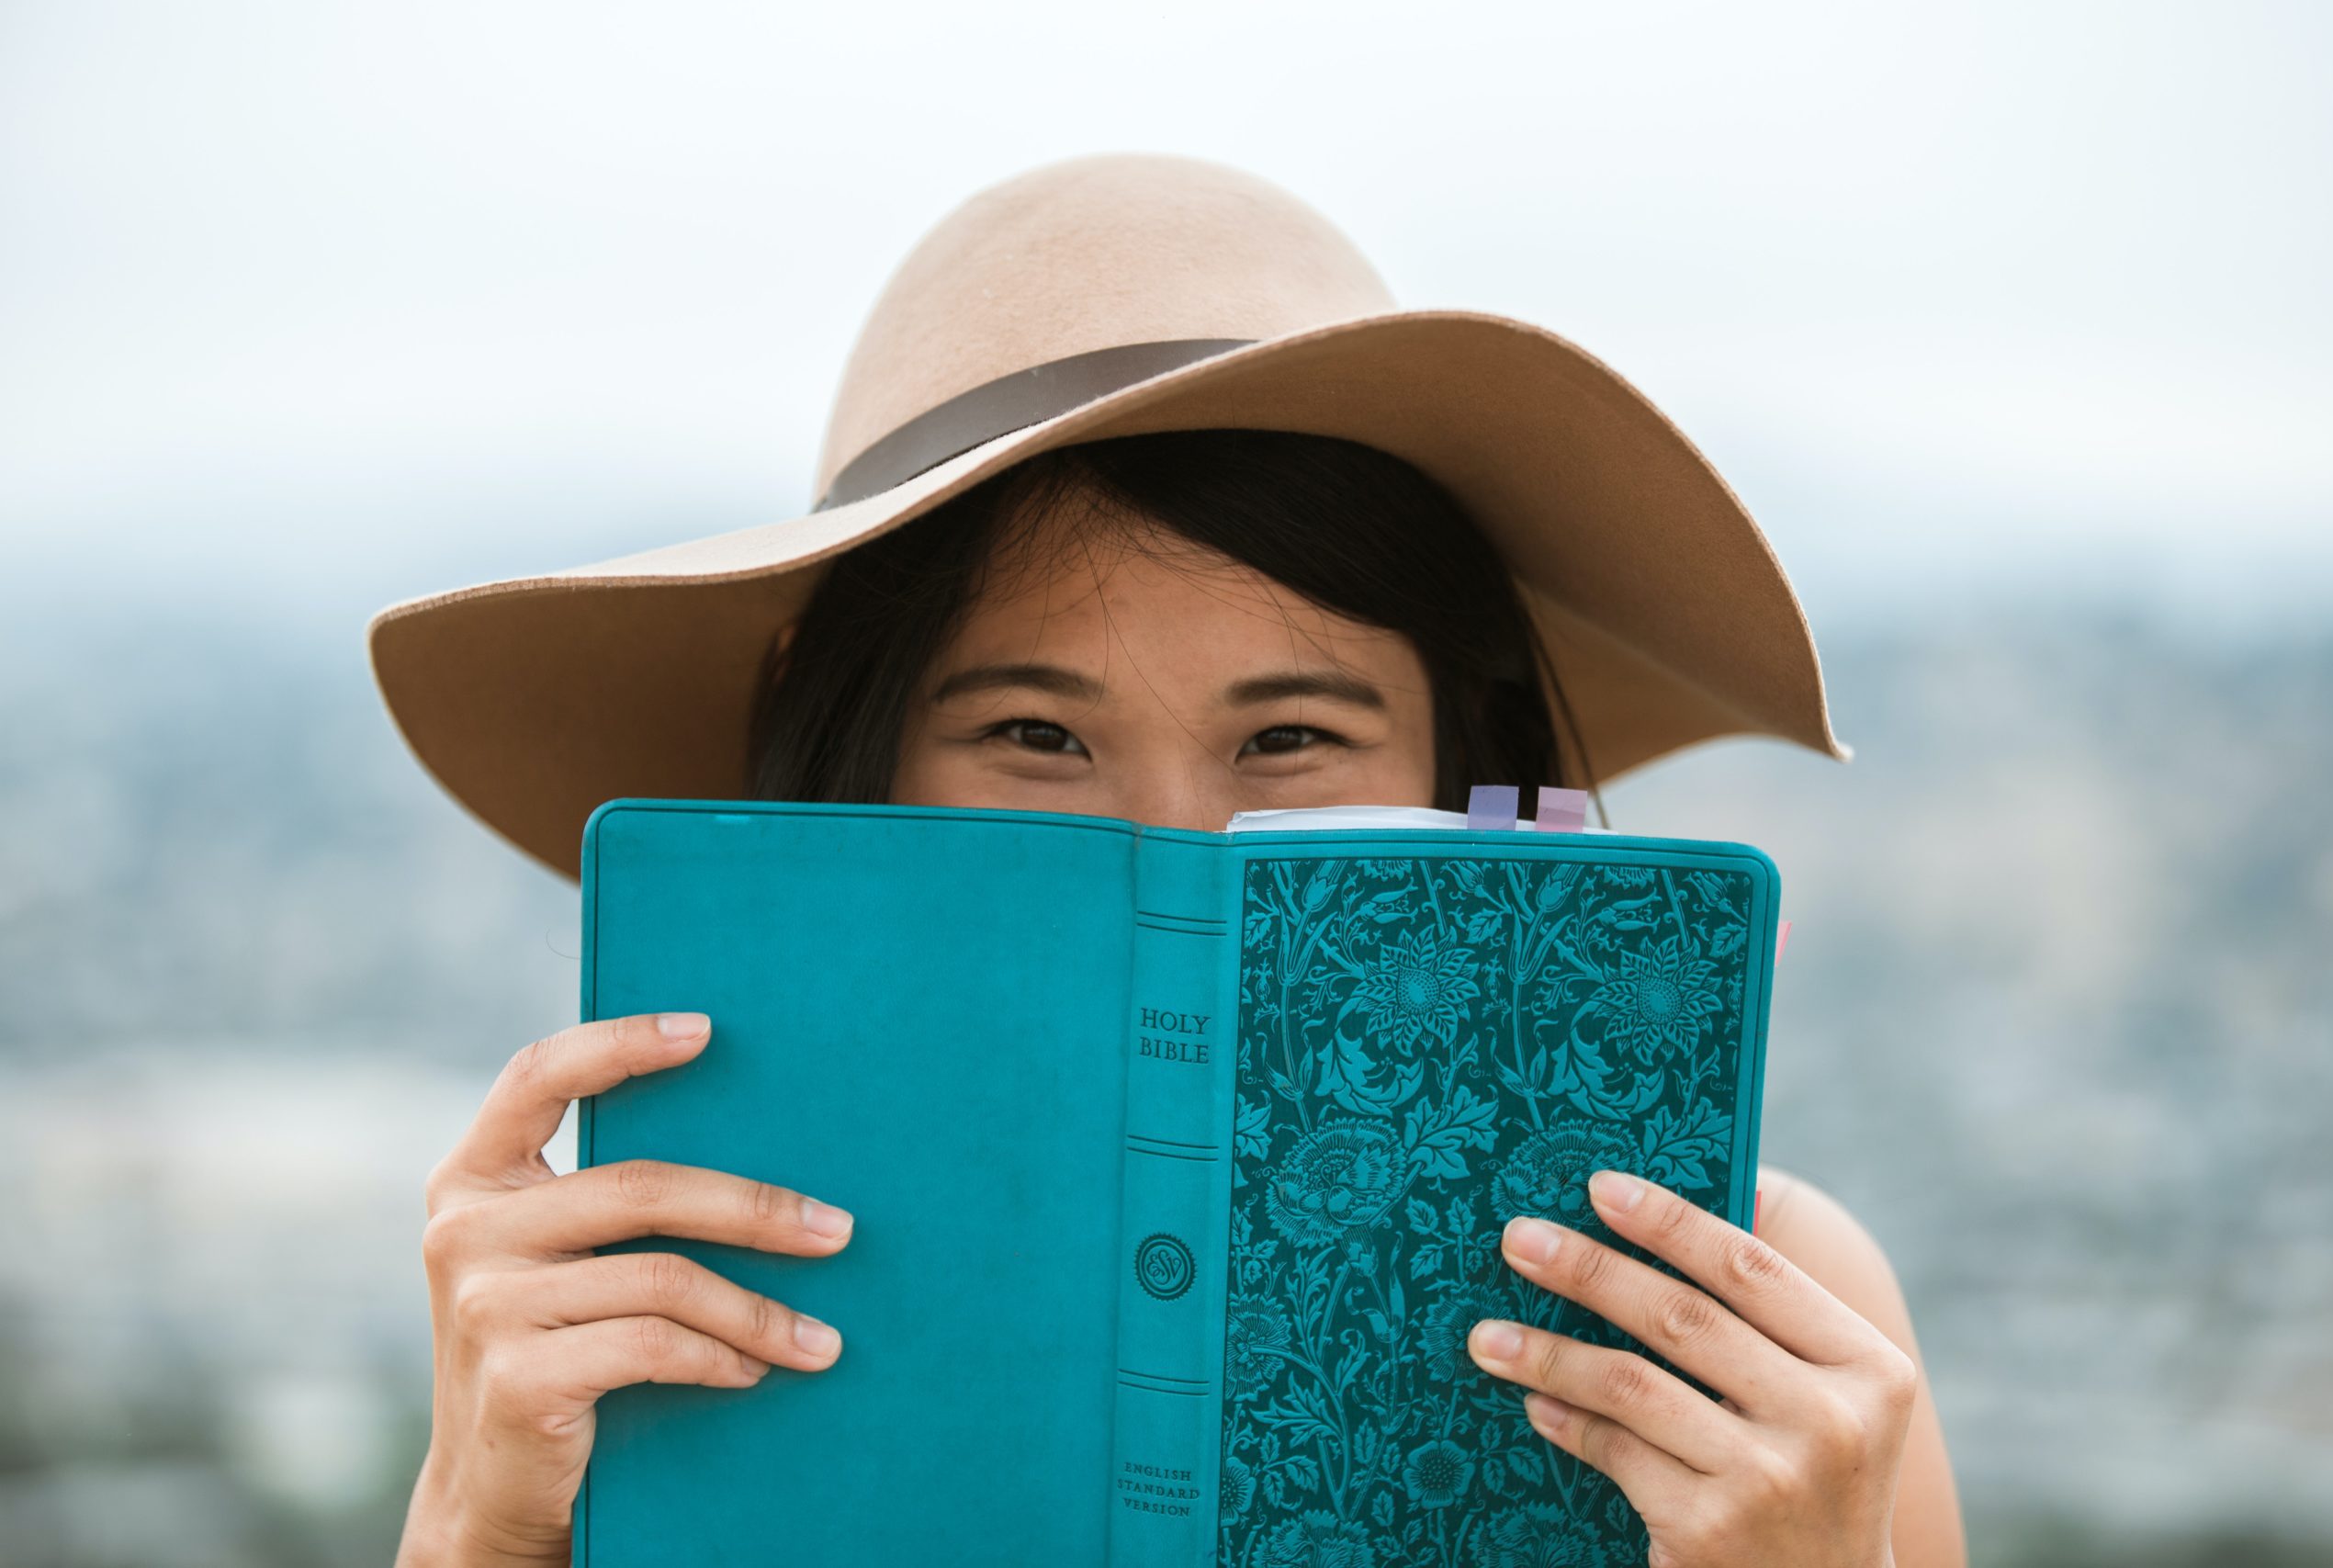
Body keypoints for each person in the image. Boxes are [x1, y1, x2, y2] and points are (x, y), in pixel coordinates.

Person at [373, 154, 1967, 1567]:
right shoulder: (618, 1307)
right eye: (1035, 735)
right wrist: (477, 1522)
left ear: (1458, 757)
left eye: (1287, 740)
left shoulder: (1768, 1338)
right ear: (848, 741)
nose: (1171, 847)